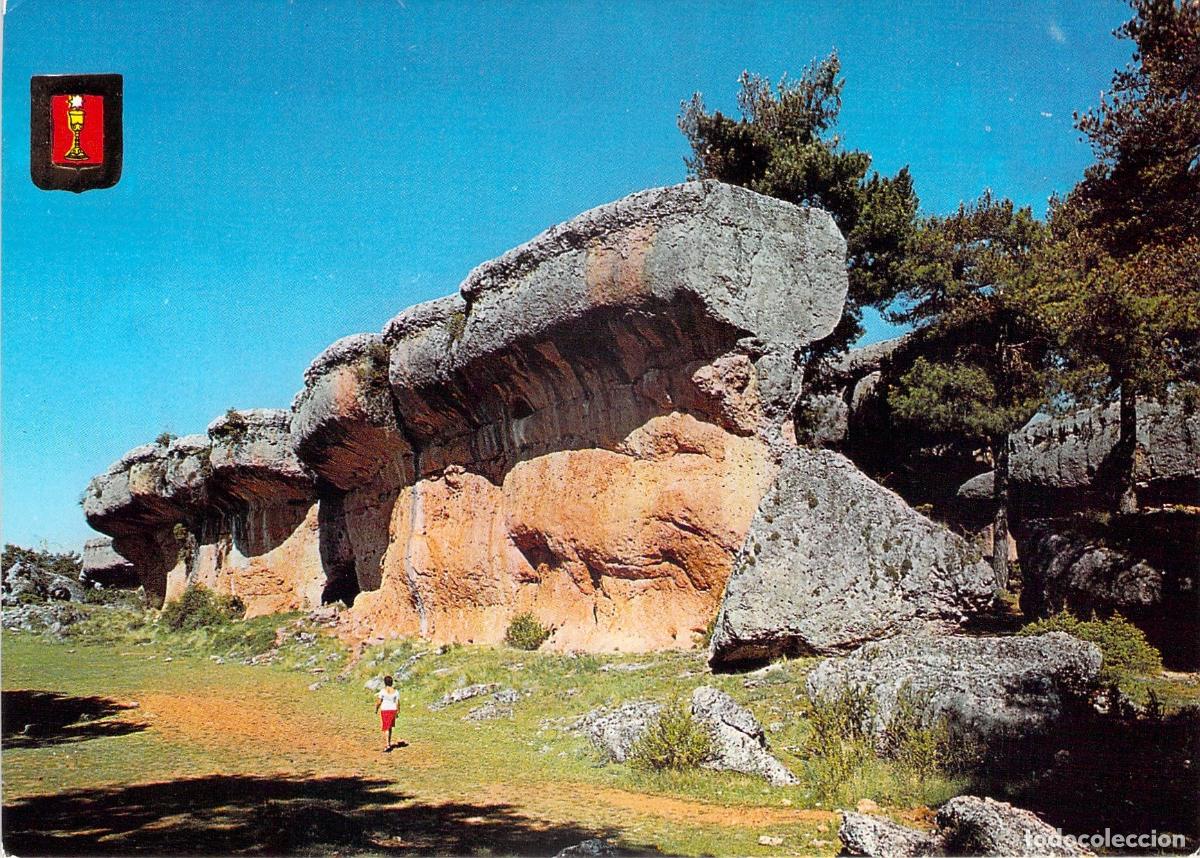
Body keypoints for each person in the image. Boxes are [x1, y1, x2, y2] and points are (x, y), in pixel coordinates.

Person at [374, 674, 400, 752]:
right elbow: (398, 703)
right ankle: (388, 742)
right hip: (393, 710)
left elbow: (379, 702)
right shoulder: (396, 692)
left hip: (385, 710)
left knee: (386, 727)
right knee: (390, 727)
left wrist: (376, 709)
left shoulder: (382, 691)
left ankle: (387, 744)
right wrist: (398, 711)